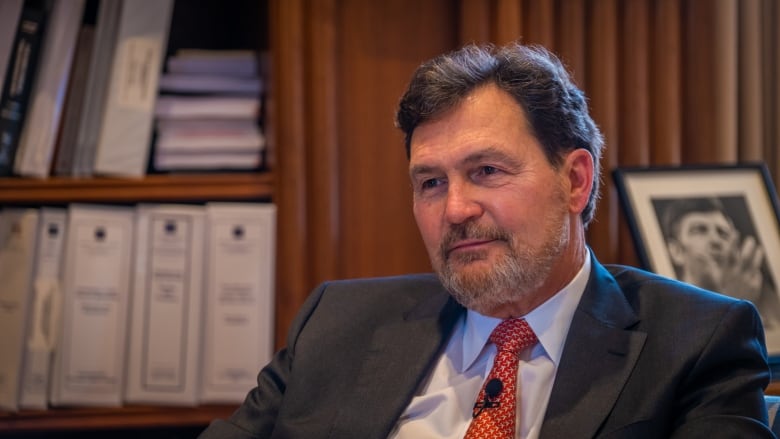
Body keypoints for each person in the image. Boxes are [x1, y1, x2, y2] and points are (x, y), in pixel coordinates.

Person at [198, 43, 772, 438]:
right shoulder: (336, 323)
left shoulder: (696, 342)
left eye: (488, 172)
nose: (455, 209)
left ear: (574, 180)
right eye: (430, 182)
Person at [661, 197, 780, 330]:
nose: (716, 241)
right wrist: (735, 305)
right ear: (676, 250)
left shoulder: (768, 325)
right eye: (700, 230)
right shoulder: (664, 319)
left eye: (723, 233)